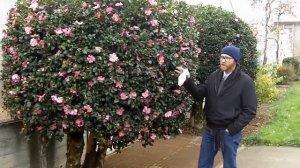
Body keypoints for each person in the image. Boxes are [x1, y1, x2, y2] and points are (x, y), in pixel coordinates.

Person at [176, 45, 257, 168]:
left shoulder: (245, 81)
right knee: (203, 164)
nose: (223, 60)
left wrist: (232, 129)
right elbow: (199, 94)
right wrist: (187, 79)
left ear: (235, 60)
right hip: (210, 130)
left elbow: (250, 110)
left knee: (229, 165)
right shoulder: (214, 76)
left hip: (229, 132)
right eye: (222, 57)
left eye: (227, 58)